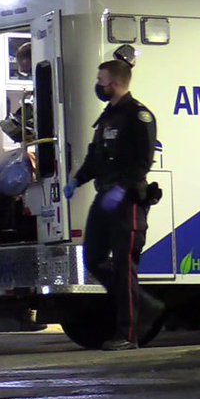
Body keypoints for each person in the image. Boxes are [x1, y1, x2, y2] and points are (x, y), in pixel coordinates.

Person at [63, 58, 166, 351]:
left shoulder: (138, 116)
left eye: (102, 80)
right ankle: (144, 304)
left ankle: (128, 334)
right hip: (104, 196)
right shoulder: (107, 117)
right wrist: (77, 180)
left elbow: (142, 161)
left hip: (128, 200)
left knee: (124, 266)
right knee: (93, 258)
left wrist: (122, 189)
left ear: (116, 82)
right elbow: (95, 158)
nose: (99, 84)